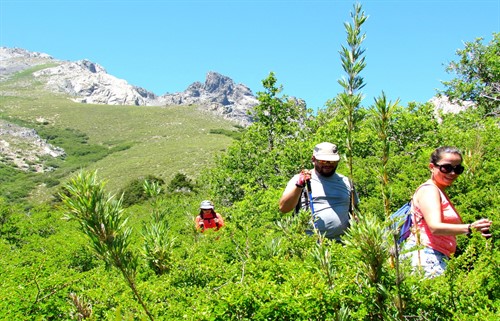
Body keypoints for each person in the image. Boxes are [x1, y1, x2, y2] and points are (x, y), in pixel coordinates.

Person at [402, 146, 492, 278]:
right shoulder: (429, 190)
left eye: (458, 169)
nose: (452, 173)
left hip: (435, 256)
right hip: (427, 257)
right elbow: (435, 227)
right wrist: (470, 228)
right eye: (446, 168)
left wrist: (475, 231)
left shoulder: (439, 191)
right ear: (432, 167)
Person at [279, 142, 358, 241]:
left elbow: (355, 211)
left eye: (332, 161)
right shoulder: (300, 180)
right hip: (309, 244)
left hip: (343, 244)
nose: (328, 164)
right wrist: (299, 186)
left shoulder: (346, 182)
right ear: (313, 159)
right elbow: (284, 208)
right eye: (323, 161)